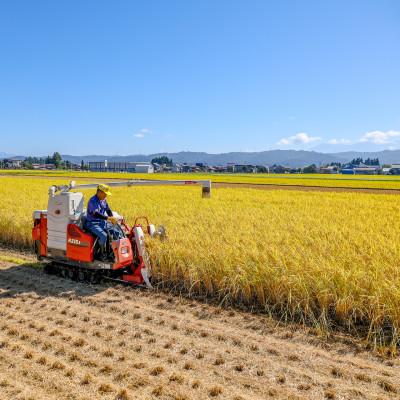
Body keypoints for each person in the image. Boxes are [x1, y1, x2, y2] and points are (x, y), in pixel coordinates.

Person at [84, 184, 121, 260]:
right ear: (99, 192)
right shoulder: (92, 201)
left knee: (115, 231)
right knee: (103, 235)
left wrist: (112, 217)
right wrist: (109, 218)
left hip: (101, 222)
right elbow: (96, 214)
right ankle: (101, 254)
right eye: (105, 194)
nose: (106, 196)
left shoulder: (103, 200)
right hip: (92, 223)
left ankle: (111, 252)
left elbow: (108, 210)